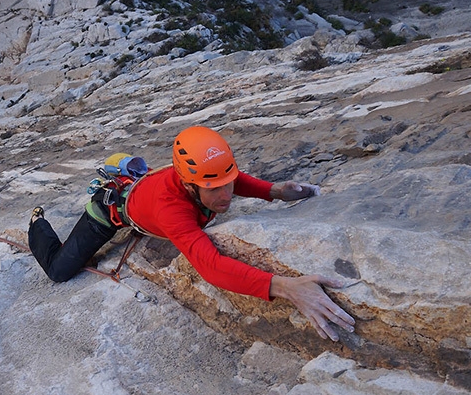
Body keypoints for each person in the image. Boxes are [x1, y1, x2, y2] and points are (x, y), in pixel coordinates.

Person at [28, 125, 355, 341]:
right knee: (59, 271)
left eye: (227, 183)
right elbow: (210, 266)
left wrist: (277, 191)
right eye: (213, 189)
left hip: (142, 191)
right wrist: (286, 288)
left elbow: (233, 178)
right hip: (109, 213)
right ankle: (37, 224)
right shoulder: (172, 210)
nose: (226, 196)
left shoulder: (210, 178)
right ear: (187, 184)